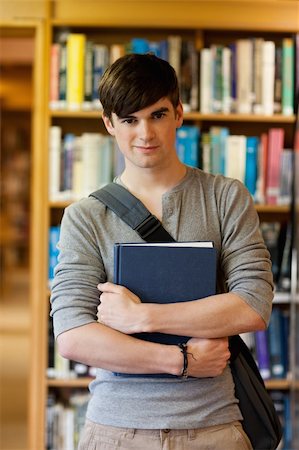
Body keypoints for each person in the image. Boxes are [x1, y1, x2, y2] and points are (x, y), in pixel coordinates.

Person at [50, 53, 274, 450]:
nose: (145, 134)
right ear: (109, 125)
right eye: (129, 120)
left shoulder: (225, 197)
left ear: (179, 114)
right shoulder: (84, 217)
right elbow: (73, 336)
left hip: (215, 427)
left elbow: (252, 305)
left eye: (157, 115)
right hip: (117, 431)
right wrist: (182, 361)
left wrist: (141, 317)